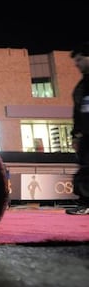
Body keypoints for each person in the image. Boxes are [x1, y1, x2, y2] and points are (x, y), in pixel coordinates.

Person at [66, 41, 89, 215]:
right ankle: (86, 202)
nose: (77, 65)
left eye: (80, 60)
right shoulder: (81, 87)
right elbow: (78, 113)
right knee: (85, 167)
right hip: (87, 135)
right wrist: (76, 135)